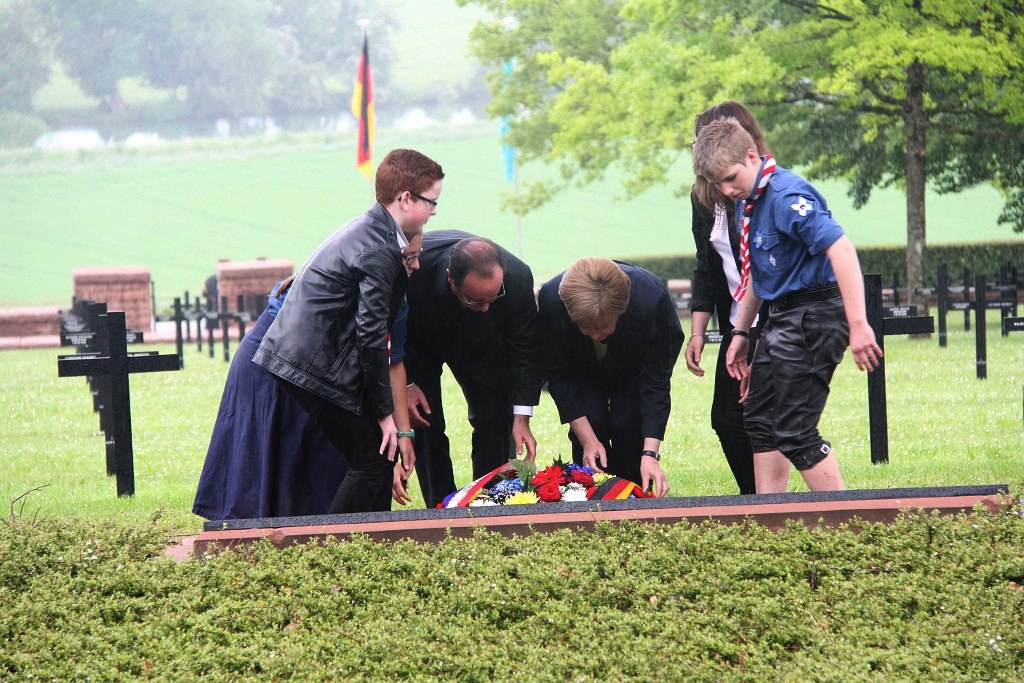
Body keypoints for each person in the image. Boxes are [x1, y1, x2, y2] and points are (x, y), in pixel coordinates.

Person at [691, 117, 882, 494]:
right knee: (759, 421)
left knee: (796, 430)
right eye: (718, 184)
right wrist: (741, 333)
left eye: (730, 178)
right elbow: (758, 274)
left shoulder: (786, 196)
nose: (726, 190)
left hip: (816, 314)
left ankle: (847, 518)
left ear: (751, 156)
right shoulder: (748, 202)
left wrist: (859, 325)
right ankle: (772, 519)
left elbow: (842, 250)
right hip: (779, 315)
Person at [253, 148, 444, 513]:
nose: (434, 211)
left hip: (307, 359)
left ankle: (371, 539)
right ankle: (334, 543)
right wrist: (385, 414)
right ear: (406, 199)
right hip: (311, 364)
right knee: (372, 461)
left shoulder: (374, 231)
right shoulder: (380, 248)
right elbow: (371, 336)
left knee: (378, 456)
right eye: (431, 202)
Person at [193, 235, 424, 520]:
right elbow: (362, 367)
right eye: (410, 257)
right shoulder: (348, 283)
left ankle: (322, 538)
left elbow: (391, 365)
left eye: (418, 254)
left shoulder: (396, 297)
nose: (417, 265)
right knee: (292, 458)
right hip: (275, 362)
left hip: (318, 370)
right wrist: (382, 453)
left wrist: (402, 436)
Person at [404, 230, 542, 508]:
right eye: (476, 300)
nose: (486, 307)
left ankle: (488, 501)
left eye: (493, 297)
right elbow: (389, 328)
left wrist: (522, 415)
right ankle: (440, 508)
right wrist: (405, 384)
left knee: (495, 415)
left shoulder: (517, 278)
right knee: (424, 420)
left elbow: (525, 350)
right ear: (450, 279)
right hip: (419, 344)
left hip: (481, 343)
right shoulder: (413, 268)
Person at [536, 257, 683, 497]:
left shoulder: (649, 301)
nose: (595, 335)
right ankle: (590, 496)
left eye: (602, 326)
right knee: (592, 422)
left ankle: (635, 495)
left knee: (628, 422)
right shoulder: (553, 300)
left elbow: (654, 384)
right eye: (586, 327)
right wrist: (588, 439)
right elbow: (560, 377)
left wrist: (650, 455)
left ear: (620, 312)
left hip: (633, 362)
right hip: (579, 366)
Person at [685, 101, 771, 495]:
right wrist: (698, 332)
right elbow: (705, 266)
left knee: (758, 417)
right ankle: (754, 499)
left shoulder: (759, 193)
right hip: (737, 323)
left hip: (771, 319)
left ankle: (770, 503)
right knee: (725, 419)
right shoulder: (702, 199)